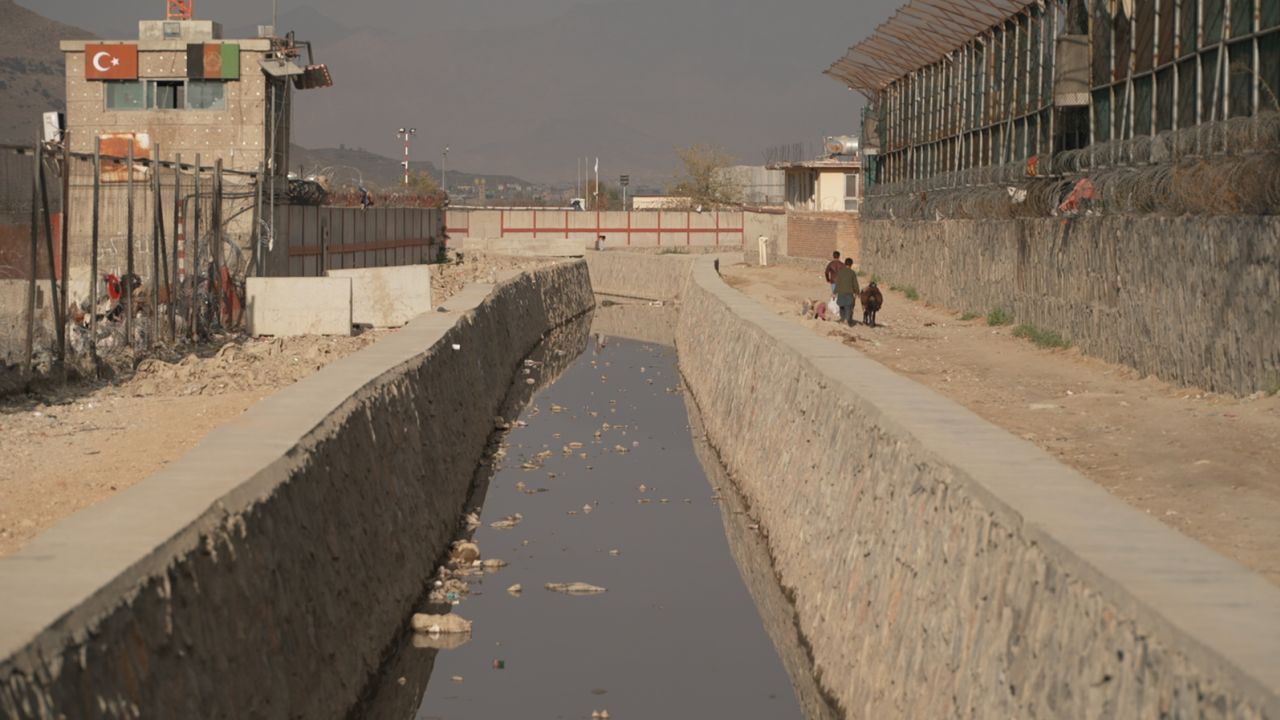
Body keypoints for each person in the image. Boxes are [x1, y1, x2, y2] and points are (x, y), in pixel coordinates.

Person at [834, 258, 859, 326]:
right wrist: (857, 292)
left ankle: (843, 319)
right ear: (851, 264)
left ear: (845, 264)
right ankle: (846, 320)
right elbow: (855, 284)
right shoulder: (852, 273)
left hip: (841, 292)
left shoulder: (840, 272)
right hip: (849, 293)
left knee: (841, 306)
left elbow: (838, 283)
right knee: (848, 307)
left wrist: (834, 292)